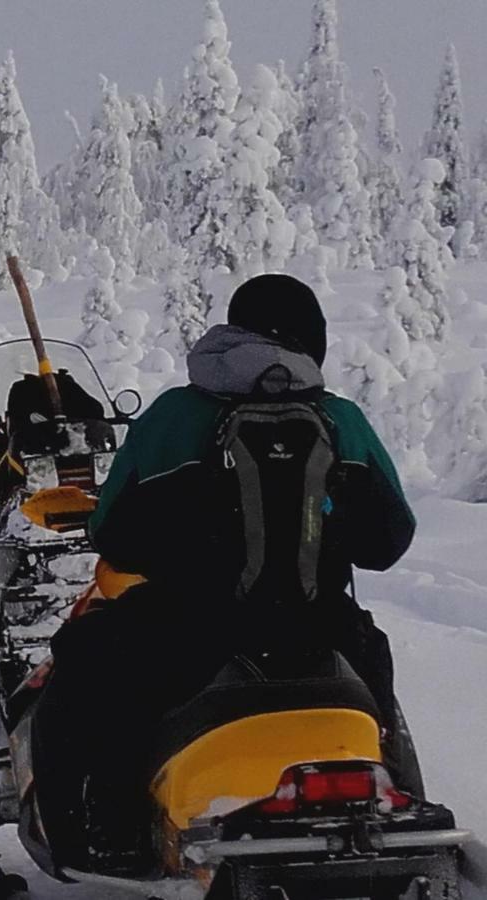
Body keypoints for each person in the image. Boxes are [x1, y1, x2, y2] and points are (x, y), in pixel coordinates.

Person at [31, 273, 417, 870]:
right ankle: (399, 798)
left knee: (80, 666)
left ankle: (98, 831)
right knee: (376, 672)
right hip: (320, 632)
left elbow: (113, 535)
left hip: (185, 632)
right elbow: (389, 542)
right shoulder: (342, 419)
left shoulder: (175, 416)